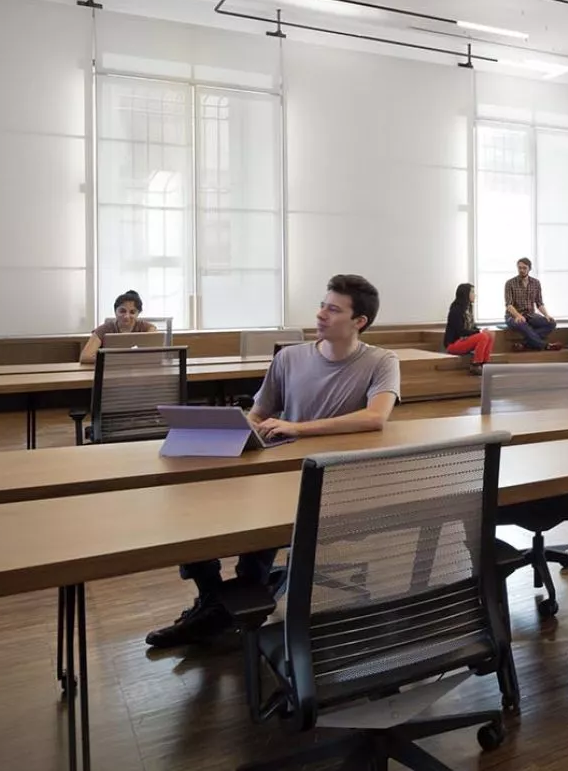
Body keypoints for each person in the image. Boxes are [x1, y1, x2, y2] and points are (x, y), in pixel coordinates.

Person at [145, 275, 400, 648]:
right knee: (190, 510)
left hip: (330, 480)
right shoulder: (290, 357)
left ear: (358, 321)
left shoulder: (381, 361)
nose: (321, 314)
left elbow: (375, 417)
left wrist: (297, 427)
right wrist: (243, 430)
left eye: (333, 309)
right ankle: (220, 599)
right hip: (276, 470)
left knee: (262, 515)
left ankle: (226, 603)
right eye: (322, 305)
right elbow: (259, 412)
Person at [77, 289, 160, 364]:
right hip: (110, 370)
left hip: (138, 371)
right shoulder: (104, 329)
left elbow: (158, 355)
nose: (127, 316)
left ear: (138, 314)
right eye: (122, 311)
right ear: (115, 311)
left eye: (132, 312)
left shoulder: (147, 328)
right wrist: (118, 360)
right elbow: (85, 357)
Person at [502, 257, 557, 349]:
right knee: (522, 323)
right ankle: (545, 346)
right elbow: (508, 305)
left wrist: (547, 315)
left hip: (530, 315)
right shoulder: (510, 283)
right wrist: (518, 316)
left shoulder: (536, 283)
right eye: (519, 268)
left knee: (551, 323)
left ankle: (524, 344)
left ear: (529, 269)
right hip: (512, 316)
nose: (521, 270)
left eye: (524, 268)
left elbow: (539, 303)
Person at [444, 283, 496, 366]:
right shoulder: (456, 310)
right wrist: (479, 332)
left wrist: (481, 330)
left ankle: (485, 363)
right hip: (454, 344)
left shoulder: (468, 308)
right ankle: (476, 364)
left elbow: (472, 327)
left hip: (464, 340)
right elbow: (461, 332)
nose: (474, 295)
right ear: (465, 294)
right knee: (483, 336)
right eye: (472, 292)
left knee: (490, 334)